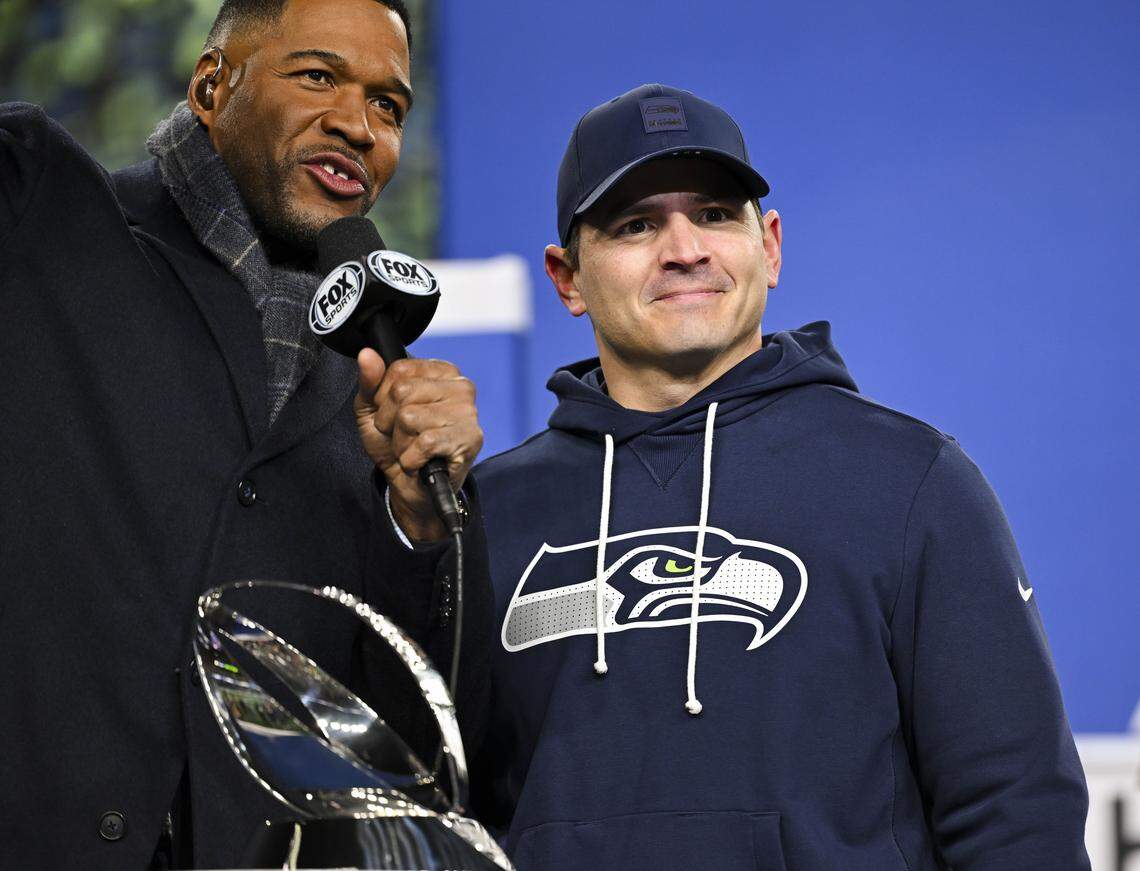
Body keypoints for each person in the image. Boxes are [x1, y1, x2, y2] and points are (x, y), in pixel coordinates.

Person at [360, 84, 1091, 869]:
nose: (685, 249)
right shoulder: (484, 510)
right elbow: (412, 801)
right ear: (567, 277)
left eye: (713, 214)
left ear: (769, 245)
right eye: (636, 224)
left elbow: (1016, 816)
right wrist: (416, 535)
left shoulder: (914, 483)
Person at [0, 1, 484, 868]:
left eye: (389, 105)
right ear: (212, 84)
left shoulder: (377, 396)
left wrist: (416, 528)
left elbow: (410, 745)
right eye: (318, 75)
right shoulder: (44, 212)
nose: (356, 123)